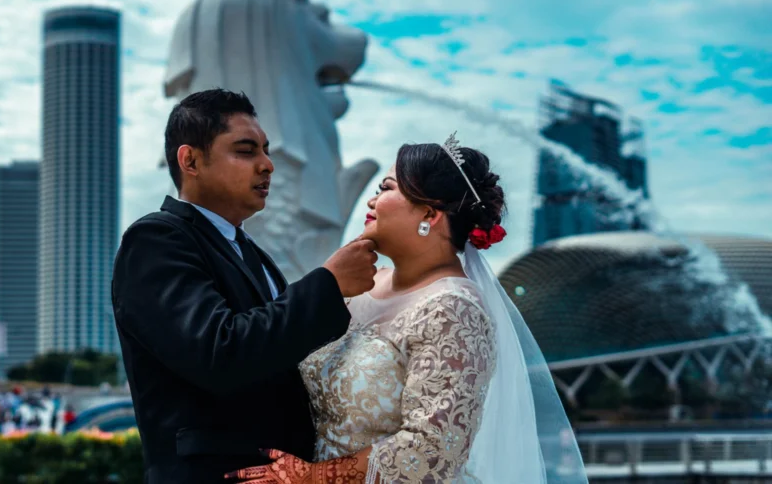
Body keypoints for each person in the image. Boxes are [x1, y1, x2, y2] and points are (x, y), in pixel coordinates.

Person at [228, 137, 588, 483]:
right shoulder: (357, 287)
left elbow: (432, 450)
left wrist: (312, 478)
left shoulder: (453, 308)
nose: (371, 201)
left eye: (385, 188)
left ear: (429, 214)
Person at [111, 89, 377, 483]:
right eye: (246, 150)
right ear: (191, 160)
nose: (267, 165)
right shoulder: (155, 240)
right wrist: (328, 285)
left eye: (266, 151)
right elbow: (219, 354)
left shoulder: (250, 251)